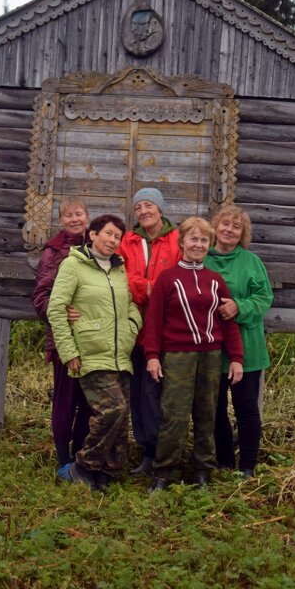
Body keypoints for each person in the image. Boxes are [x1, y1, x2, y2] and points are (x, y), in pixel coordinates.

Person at [143, 217, 244, 491]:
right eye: (193, 239)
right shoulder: (168, 278)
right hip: (177, 356)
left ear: (209, 244)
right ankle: (162, 474)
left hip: (211, 355)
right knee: (174, 415)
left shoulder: (215, 280)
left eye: (203, 240)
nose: (198, 244)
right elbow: (153, 321)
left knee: (207, 414)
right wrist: (152, 355)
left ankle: (202, 472)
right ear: (182, 242)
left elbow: (227, 321)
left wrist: (236, 358)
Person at [46, 214, 142, 491]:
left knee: (121, 419)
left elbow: (131, 306)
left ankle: (106, 474)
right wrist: (69, 351)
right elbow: (56, 308)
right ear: (92, 234)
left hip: (119, 354)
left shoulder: (119, 269)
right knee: (113, 409)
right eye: (108, 234)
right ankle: (83, 466)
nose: (113, 240)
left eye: (117, 237)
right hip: (90, 353)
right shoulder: (72, 265)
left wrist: (131, 328)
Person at [204, 205, 274, 478]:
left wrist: (239, 307)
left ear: (242, 234)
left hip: (247, 349)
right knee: (215, 408)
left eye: (236, 227)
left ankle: (247, 465)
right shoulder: (203, 259)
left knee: (246, 408)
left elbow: (264, 298)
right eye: (225, 224)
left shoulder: (251, 262)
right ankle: (223, 462)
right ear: (215, 227)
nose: (229, 230)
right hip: (212, 350)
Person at [119, 187, 181, 475]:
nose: (144, 211)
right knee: (139, 393)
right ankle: (147, 451)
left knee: (159, 393)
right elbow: (121, 275)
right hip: (135, 331)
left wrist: (160, 291)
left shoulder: (177, 239)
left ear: (161, 208)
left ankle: (165, 453)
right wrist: (148, 289)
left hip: (168, 331)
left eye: (149, 205)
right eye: (139, 206)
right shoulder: (127, 241)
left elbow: (181, 275)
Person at [31, 198, 93, 474]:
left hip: (92, 339)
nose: (74, 219)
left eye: (78, 213)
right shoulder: (53, 252)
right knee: (65, 400)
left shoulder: (97, 247)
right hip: (63, 339)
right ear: (61, 221)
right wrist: (59, 315)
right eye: (68, 216)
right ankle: (62, 457)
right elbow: (41, 296)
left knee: (88, 400)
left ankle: (80, 452)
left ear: (87, 217)